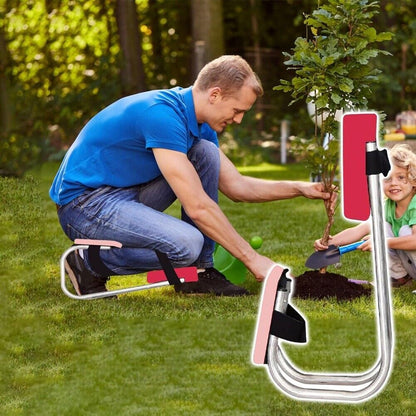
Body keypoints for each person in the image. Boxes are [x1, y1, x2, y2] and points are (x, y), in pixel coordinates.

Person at [50, 55, 334, 297]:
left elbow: (236, 186)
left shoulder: (200, 124)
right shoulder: (162, 115)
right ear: (215, 94)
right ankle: (89, 262)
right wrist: (253, 259)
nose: (238, 120)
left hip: (124, 193)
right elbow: (198, 207)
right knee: (187, 244)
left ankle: (200, 271)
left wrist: (300, 188)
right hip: (84, 205)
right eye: (237, 110)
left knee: (205, 153)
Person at [314, 144, 416, 288]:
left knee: (405, 231)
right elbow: (360, 230)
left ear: (413, 180)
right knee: (380, 227)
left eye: (401, 177)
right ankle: (400, 278)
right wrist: (331, 242)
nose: (393, 183)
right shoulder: (388, 206)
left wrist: (381, 242)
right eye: (387, 179)